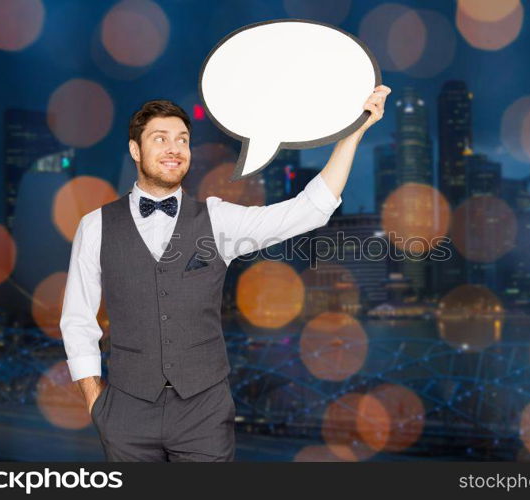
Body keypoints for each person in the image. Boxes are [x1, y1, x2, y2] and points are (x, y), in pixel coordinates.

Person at [59, 84, 391, 461]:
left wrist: (353, 133)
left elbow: (309, 210)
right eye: (160, 139)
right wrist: (95, 401)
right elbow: (78, 319)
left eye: (182, 140)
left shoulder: (217, 218)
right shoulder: (96, 226)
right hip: (126, 412)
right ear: (135, 150)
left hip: (204, 413)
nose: (174, 149)